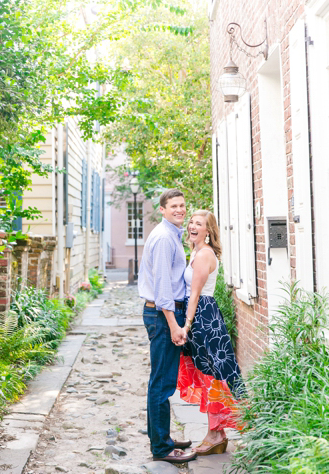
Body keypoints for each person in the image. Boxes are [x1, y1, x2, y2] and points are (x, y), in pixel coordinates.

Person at [138, 189, 197, 465]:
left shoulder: (172, 233)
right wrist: (174, 325)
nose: (180, 209)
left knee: (162, 382)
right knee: (161, 384)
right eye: (173, 205)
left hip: (164, 314)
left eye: (182, 205)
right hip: (163, 316)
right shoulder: (164, 238)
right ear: (162, 209)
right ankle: (161, 447)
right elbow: (163, 288)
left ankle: (162, 438)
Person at [177, 210, 243, 455]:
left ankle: (214, 434)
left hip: (204, 318)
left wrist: (186, 324)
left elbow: (195, 294)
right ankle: (217, 433)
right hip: (202, 316)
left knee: (211, 375)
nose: (193, 226)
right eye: (191, 222)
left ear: (208, 230)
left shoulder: (204, 254)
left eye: (199, 224)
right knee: (209, 373)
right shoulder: (196, 251)